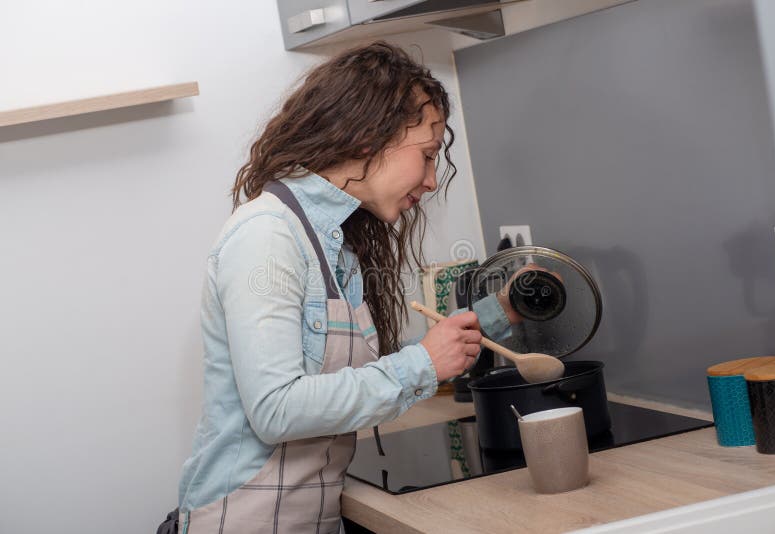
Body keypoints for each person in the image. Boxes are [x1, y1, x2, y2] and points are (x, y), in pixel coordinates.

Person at [164, 41, 518, 534]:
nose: (433, 179)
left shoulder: (332, 244)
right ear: (368, 138)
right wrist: (422, 363)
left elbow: (344, 382)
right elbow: (277, 409)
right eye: (428, 156)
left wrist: (501, 313)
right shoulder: (267, 234)